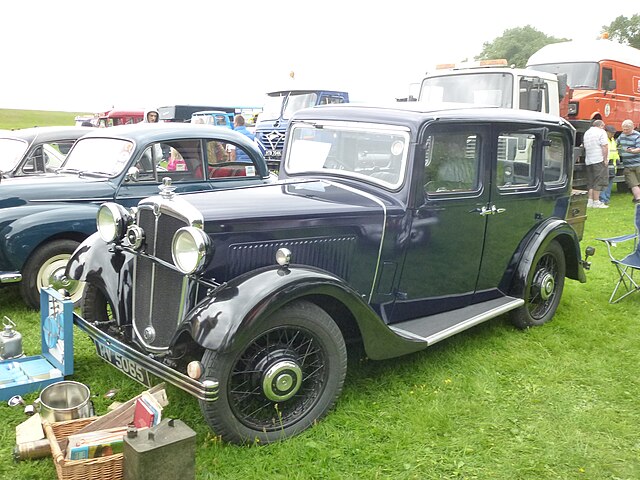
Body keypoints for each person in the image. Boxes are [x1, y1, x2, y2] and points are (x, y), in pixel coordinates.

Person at [582, 119, 609, 208]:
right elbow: (604, 146)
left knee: (591, 181)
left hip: (589, 159)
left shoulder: (587, 132)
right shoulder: (601, 132)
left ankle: (590, 201)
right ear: (601, 125)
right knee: (599, 180)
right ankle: (596, 201)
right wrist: (605, 159)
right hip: (598, 158)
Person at [617, 119, 640, 203]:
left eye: (627, 129)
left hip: (638, 163)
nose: (625, 131)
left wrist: (633, 151)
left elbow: (639, 148)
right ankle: (638, 199)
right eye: (623, 129)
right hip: (627, 164)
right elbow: (616, 143)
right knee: (632, 183)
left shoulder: (637, 135)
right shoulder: (622, 135)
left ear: (632, 128)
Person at [599, 125, 620, 205]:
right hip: (606, 164)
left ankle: (606, 198)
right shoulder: (604, 140)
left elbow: (615, 151)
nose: (612, 134)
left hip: (613, 164)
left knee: (610, 182)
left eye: (613, 133)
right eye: (611, 133)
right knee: (604, 182)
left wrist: (617, 158)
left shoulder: (613, 140)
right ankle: (603, 198)